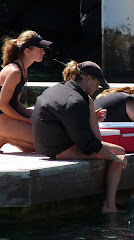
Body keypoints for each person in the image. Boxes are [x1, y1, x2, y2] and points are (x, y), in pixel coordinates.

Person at [32, 60, 128, 213]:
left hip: (45, 145)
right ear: (88, 79)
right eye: (98, 83)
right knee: (120, 152)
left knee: (109, 150)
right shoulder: (75, 101)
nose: (98, 88)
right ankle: (110, 206)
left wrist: (91, 119)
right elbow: (89, 145)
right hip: (60, 149)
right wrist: (114, 158)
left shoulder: (60, 89)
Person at [0, 30, 52, 152]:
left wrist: (30, 115)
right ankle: (5, 136)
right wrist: (26, 121)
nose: (43, 52)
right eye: (40, 49)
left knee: (48, 143)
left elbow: (15, 103)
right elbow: (2, 105)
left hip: (5, 116)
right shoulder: (15, 71)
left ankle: (6, 137)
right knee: (47, 145)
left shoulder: (23, 69)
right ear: (28, 51)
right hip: (2, 116)